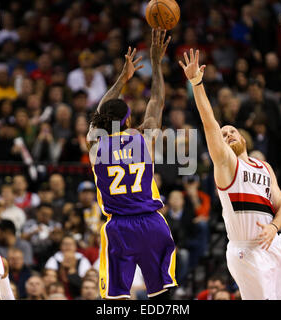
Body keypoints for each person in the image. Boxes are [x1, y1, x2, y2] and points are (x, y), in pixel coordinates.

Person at [178, 48, 281, 300]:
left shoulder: (264, 167)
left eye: (232, 131)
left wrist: (274, 227)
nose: (228, 135)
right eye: (224, 135)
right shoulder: (226, 163)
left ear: (243, 137)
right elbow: (209, 122)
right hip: (246, 251)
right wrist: (197, 84)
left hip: (273, 243)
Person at [86, 29, 176, 300]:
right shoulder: (143, 137)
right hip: (151, 222)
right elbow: (157, 101)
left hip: (119, 227)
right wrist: (156, 63)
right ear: (127, 120)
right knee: (161, 295)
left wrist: (121, 79)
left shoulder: (95, 145)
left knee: (117, 298)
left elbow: (100, 113)